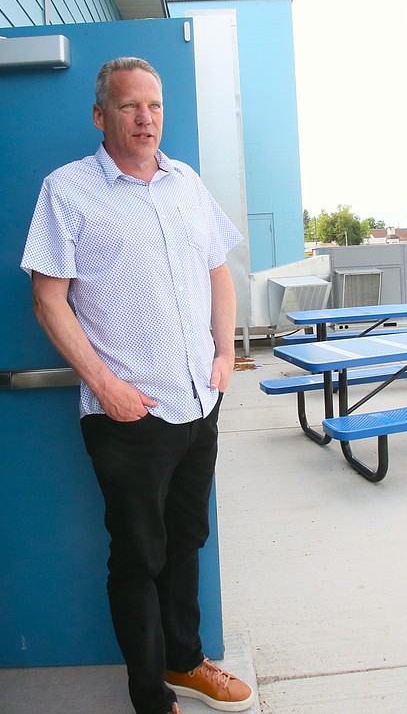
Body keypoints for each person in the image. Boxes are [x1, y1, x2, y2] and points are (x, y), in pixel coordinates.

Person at [21, 57, 253, 714]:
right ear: (101, 116)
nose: (145, 118)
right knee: (139, 557)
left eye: (153, 105)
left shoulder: (185, 183)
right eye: (129, 106)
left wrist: (225, 358)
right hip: (128, 416)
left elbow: (219, 272)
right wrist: (105, 384)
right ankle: (150, 697)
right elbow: (47, 300)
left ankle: (186, 661)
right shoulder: (66, 191)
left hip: (196, 403)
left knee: (187, 543)